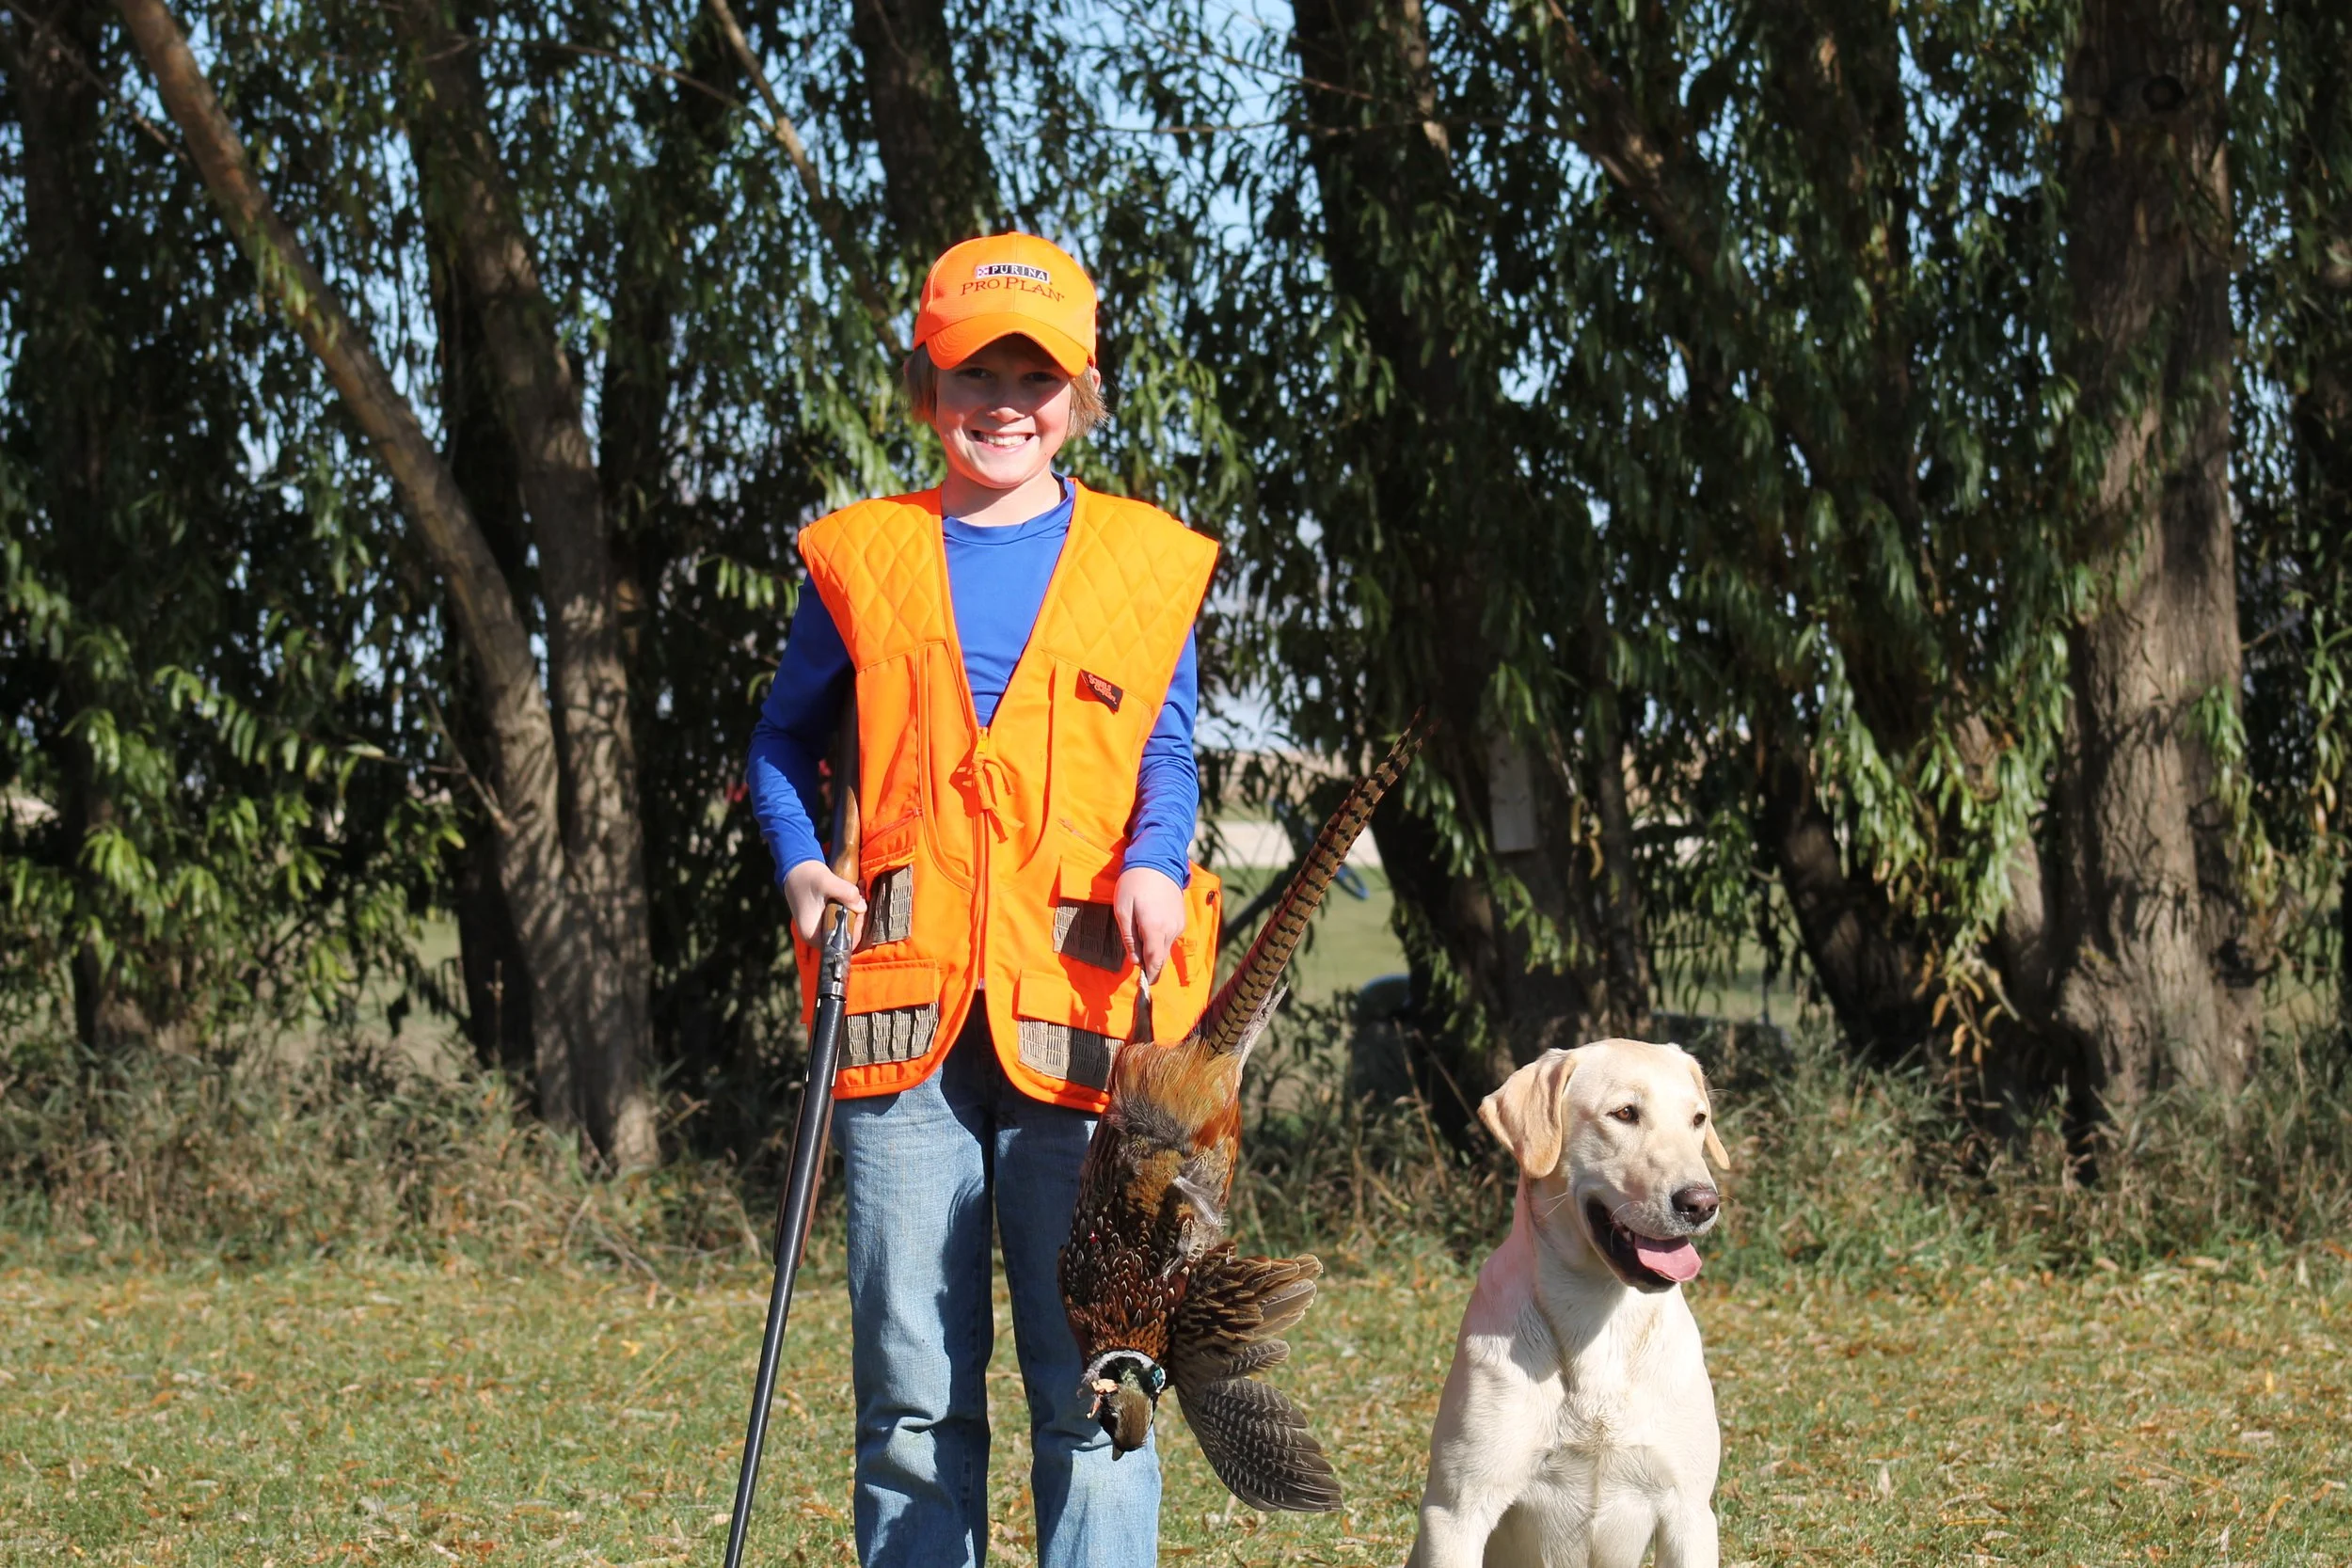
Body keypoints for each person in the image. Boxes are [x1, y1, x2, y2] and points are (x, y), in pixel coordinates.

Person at [745, 232, 1224, 1568]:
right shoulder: (859, 555)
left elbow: (1167, 754)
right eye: (973, 372)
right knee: (909, 1402)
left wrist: (1153, 858)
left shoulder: (1146, 563)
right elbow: (782, 745)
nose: (1004, 401)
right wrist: (800, 861)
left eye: (1038, 373)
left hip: (1087, 1024)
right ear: (926, 386)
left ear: (1080, 392)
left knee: (1104, 1391)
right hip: (902, 1030)